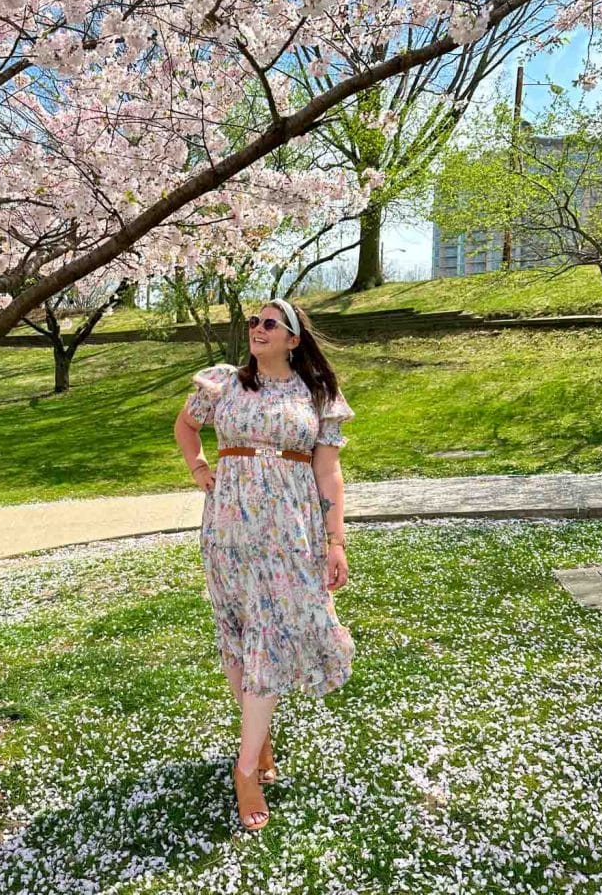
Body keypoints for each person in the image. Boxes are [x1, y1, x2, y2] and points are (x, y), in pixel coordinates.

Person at [173, 298, 356, 832]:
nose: (256, 328)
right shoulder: (224, 383)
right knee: (238, 633)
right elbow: (185, 428)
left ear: (293, 338)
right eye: (252, 321)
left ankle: (246, 767)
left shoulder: (318, 395)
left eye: (269, 323)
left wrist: (336, 540)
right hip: (229, 528)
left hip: (291, 531)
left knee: (274, 633)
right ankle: (260, 742)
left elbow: (330, 475)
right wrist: (198, 467)